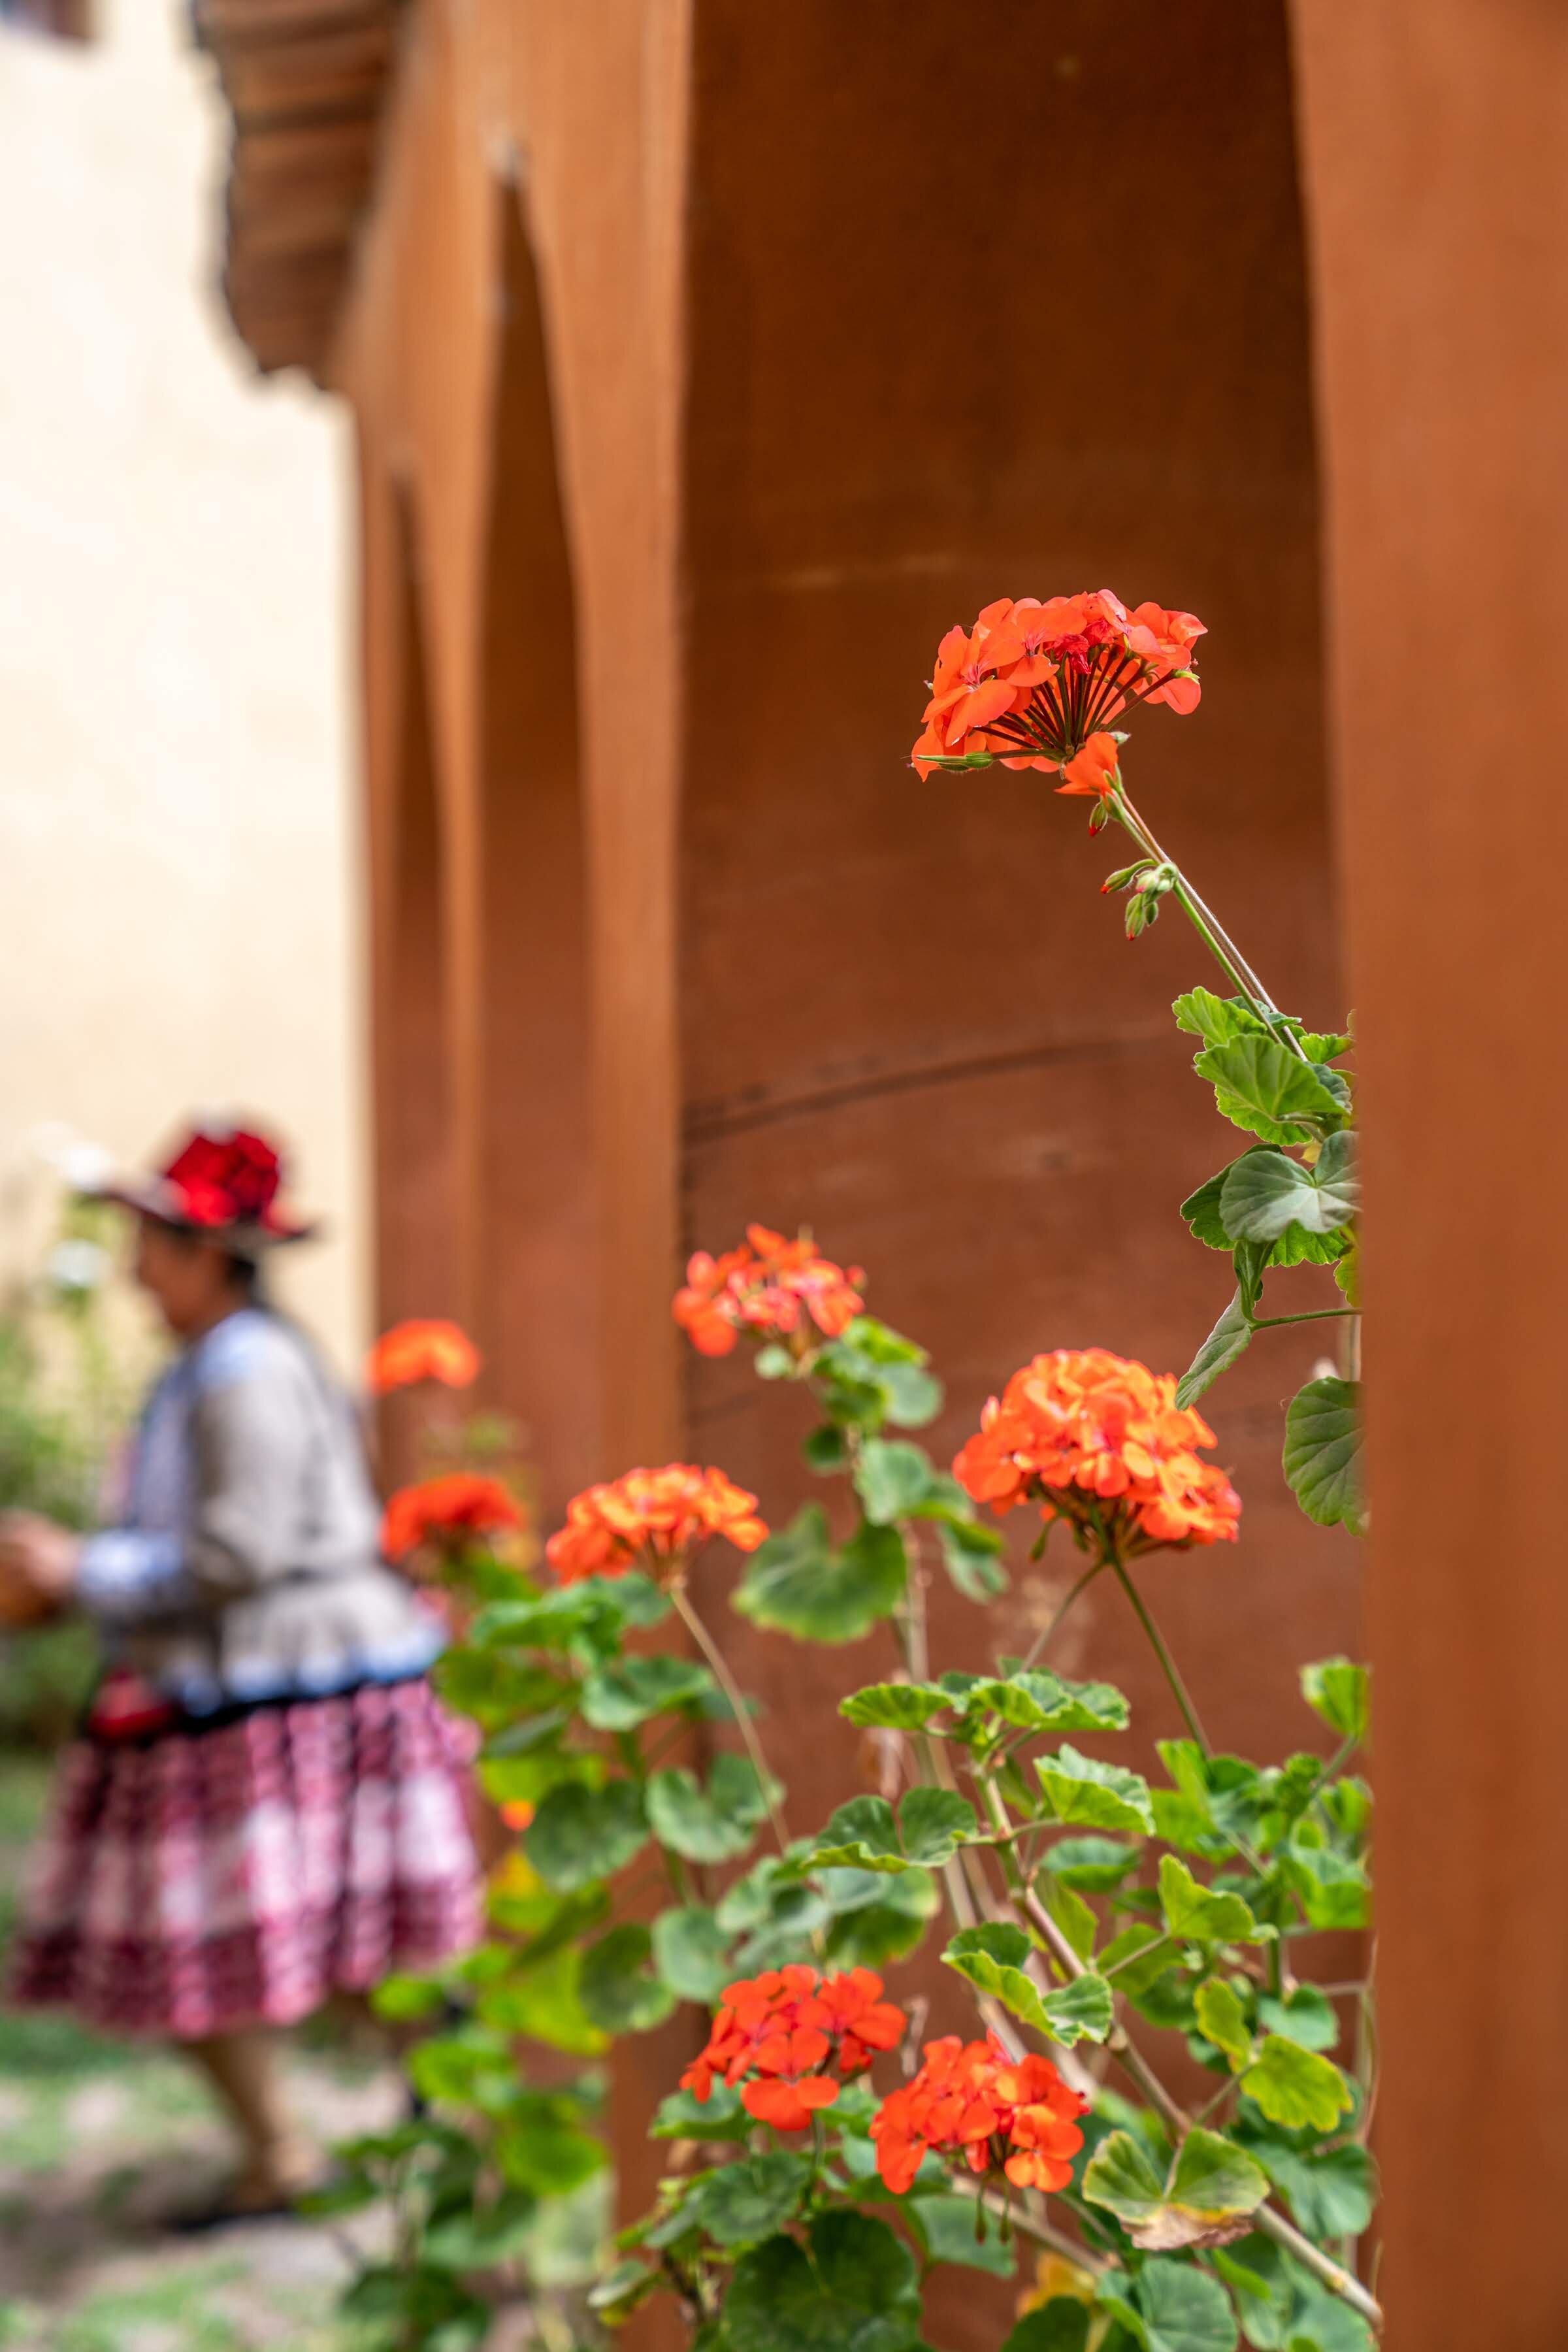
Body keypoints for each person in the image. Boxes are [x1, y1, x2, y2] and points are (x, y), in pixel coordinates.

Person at [0, 1121, 483, 2223]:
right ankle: (326, 2152)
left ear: (211, 1256)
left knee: (322, 1948)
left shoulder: (245, 1370)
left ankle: (438, 2151)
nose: (133, 1273)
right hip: (249, 1691)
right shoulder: (223, 1363)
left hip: (291, 1693)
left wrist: (81, 1570)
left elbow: (239, 1554)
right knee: (280, 1945)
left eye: (153, 1248)